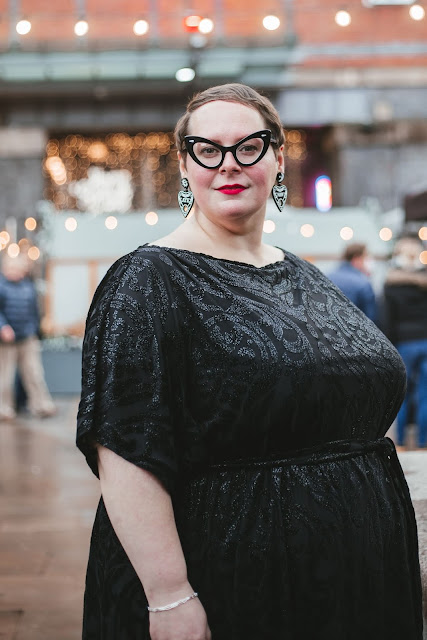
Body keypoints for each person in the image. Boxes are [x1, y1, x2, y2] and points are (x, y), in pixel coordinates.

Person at [77, 84, 422, 640]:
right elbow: (125, 448)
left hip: (353, 574)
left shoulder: (302, 273)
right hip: (236, 574)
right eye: (207, 150)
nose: (228, 164)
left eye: (248, 146)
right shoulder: (147, 280)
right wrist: (168, 595)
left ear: (278, 158)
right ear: (185, 165)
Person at [382, 235, 427, 450]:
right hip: (425, 340)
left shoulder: (391, 284)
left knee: (403, 393)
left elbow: (387, 320)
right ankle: (423, 441)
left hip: (403, 344)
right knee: (425, 393)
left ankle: (400, 441)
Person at [0, 253, 56, 420]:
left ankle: (41, 405)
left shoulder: (28, 287)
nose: (14, 272)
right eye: (11, 268)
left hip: (27, 337)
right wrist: (3, 327)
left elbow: (34, 312)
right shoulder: (1, 286)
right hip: (6, 341)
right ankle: (3, 408)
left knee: (34, 373)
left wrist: (35, 331)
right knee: (5, 377)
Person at [328, 242, 377, 322]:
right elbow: (371, 319)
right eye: (366, 257)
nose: (369, 261)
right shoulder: (363, 283)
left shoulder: (327, 277)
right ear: (356, 259)